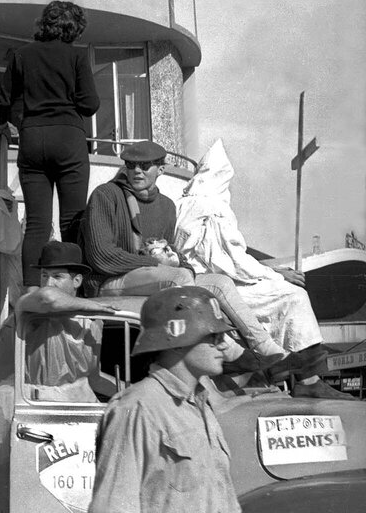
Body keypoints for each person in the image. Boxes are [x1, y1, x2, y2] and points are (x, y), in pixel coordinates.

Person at [81, 141, 348, 399]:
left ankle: (266, 350)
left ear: (160, 169)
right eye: (131, 165)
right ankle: (227, 350)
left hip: (149, 276)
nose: (137, 171)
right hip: (109, 281)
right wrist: (157, 263)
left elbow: (178, 256)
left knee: (218, 282)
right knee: (181, 277)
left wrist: (173, 259)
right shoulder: (106, 195)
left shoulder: (166, 207)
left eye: (145, 165)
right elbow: (101, 256)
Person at [86, 286, 292, 513]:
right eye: (212, 336)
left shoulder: (201, 408)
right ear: (177, 337)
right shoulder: (138, 408)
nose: (223, 344)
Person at [0, 0, 99, 289]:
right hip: (68, 139)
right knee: (72, 221)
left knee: (37, 224)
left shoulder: (21, 55)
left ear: (44, 25)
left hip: (33, 138)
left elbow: (0, 102)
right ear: (75, 30)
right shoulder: (76, 58)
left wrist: (5, 120)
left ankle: (31, 292)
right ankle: (77, 291)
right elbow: (90, 104)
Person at [14, 242, 119, 402]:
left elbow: (94, 379)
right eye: (44, 275)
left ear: (77, 281)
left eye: (57, 276)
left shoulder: (92, 323)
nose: (48, 283)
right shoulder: (30, 309)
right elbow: (49, 297)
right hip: (38, 406)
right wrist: (90, 304)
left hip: (81, 407)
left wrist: (135, 392)